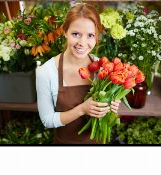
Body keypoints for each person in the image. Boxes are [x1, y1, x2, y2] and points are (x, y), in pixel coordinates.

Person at [36, 3, 121, 144]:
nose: (82, 43)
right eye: (76, 34)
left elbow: (107, 113)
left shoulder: (103, 66)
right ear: (65, 32)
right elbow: (47, 120)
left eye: (90, 35)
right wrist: (82, 109)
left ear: (97, 36)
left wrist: (111, 106)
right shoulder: (46, 72)